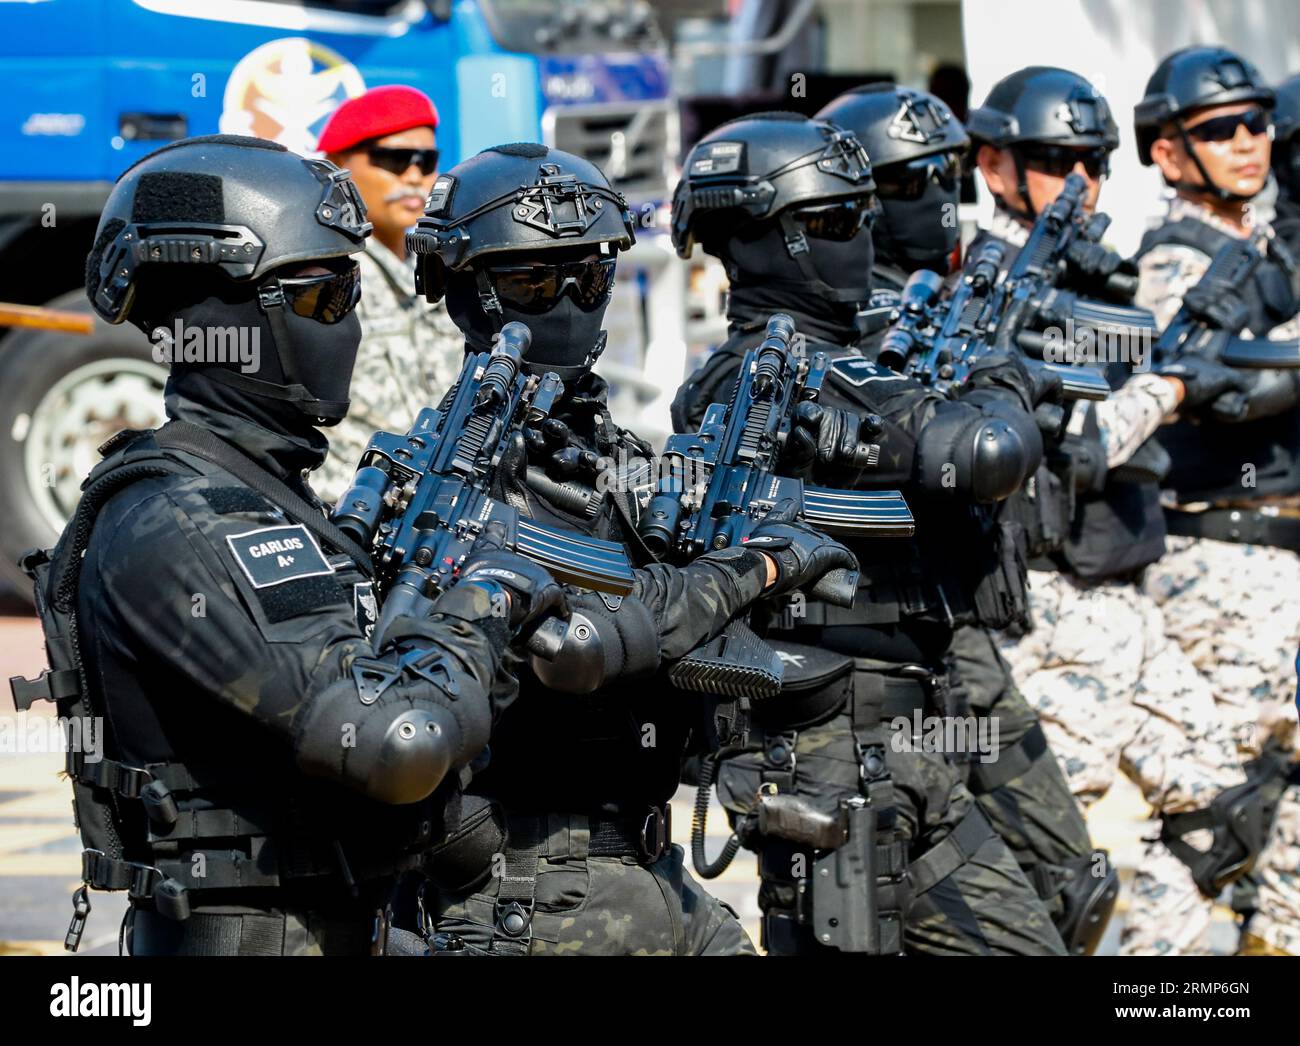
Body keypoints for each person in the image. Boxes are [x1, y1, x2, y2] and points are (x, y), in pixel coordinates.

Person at [12, 134, 569, 956]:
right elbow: (392, 740)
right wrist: (486, 601)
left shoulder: (264, 489)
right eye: (325, 298)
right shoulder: (185, 514)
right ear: (228, 314)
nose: (349, 325)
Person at [395, 142, 859, 955]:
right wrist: (757, 567)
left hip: (654, 870)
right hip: (528, 892)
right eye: (534, 281)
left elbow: (672, 618)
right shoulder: (447, 481)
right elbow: (588, 640)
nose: (570, 300)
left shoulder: (615, 457)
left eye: (592, 274)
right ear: (465, 293)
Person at [671, 112, 1069, 955]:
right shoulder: (775, 376)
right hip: (831, 756)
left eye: (861, 216)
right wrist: (1001, 378)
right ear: (765, 240)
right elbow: (983, 452)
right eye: (837, 222)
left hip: (896, 735)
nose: (863, 236)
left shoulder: (830, 360)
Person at [816, 82, 1104, 945]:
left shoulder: (958, 289)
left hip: (965, 636)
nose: (937, 200)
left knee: (1074, 886)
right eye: (908, 184)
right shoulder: (848, 325)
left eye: (945, 176)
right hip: (892, 657)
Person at [1132, 45, 1300, 956]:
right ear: (1167, 152)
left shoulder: (1265, 245)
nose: (1248, 142)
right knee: (1217, 808)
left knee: (1282, 797)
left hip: (1278, 554)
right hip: (1223, 561)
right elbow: (1210, 383)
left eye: (1258, 122)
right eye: (1219, 129)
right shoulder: (1173, 259)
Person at [313, 85, 464, 503]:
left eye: (426, 161)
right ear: (337, 165)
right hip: (348, 505)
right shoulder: (323, 275)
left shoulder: (439, 267)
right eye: (395, 160)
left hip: (435, 505)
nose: (414, 176)